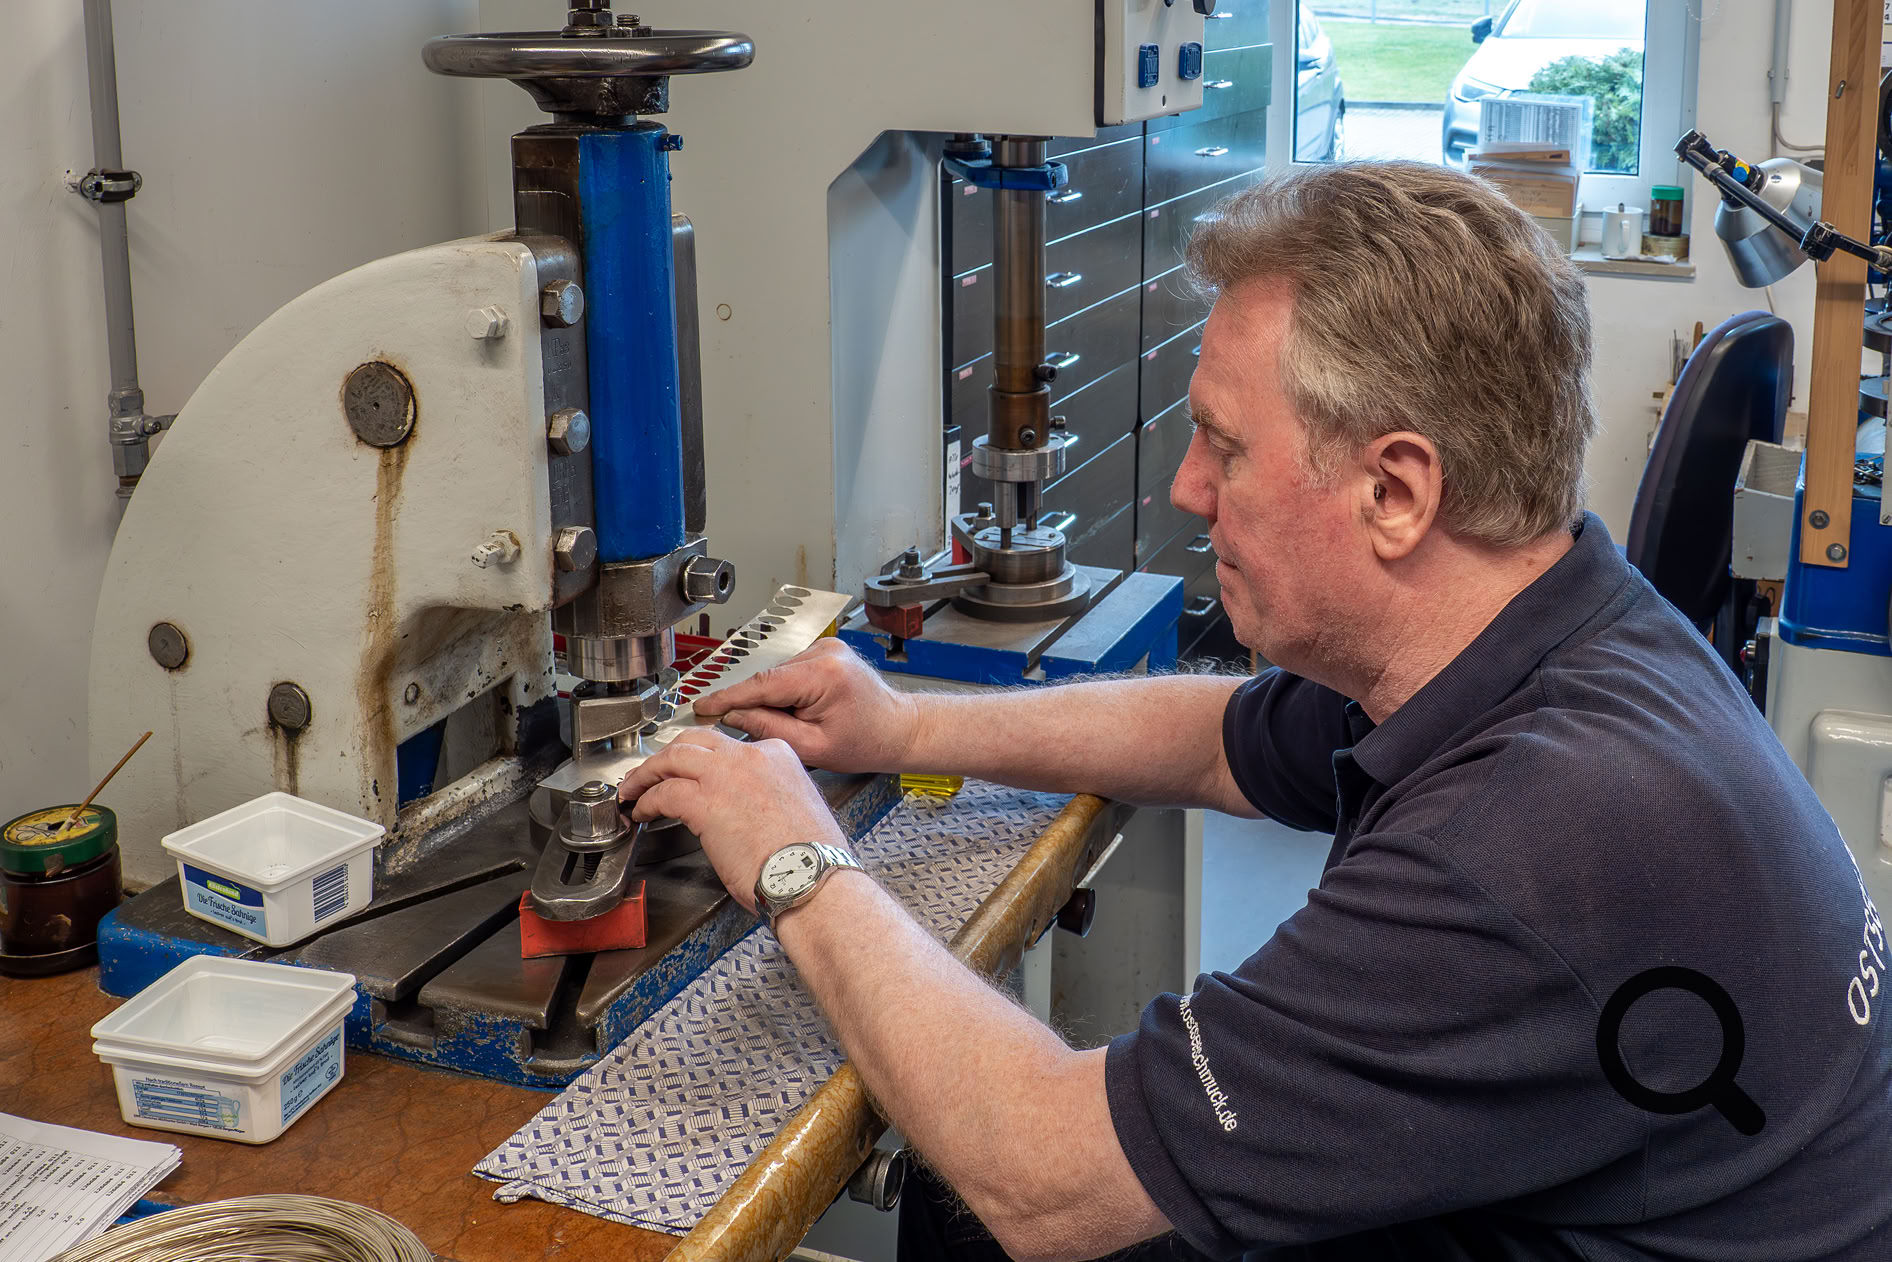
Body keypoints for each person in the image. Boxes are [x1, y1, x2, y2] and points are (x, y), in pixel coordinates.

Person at [617, 162, 1892, 1261]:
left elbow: (1043, 1182)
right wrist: (903, 728)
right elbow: (1222, 737)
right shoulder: (1559, 624)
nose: (1184, 490)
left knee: (979, 1197)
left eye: (1222, 446)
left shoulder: (1521, 843)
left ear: (1394, 491)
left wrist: (797, 858)